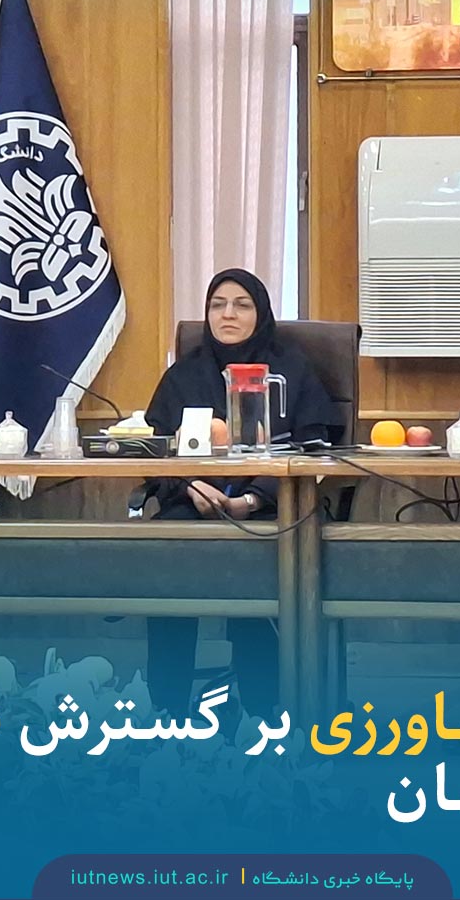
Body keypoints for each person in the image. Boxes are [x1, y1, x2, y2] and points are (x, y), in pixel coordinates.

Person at [140, 268, 337, 716]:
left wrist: (250, 500)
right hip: (191, 506)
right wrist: (191, 485)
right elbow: (157, 453)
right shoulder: (183, 375)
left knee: (261, 558)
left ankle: (263, 713)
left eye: (241, 304)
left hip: (274, 508)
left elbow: (316, 450)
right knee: (167, 554)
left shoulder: (292, 370)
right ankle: (167, 711)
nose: (227, 314)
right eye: (217, 305)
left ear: (260, 313)